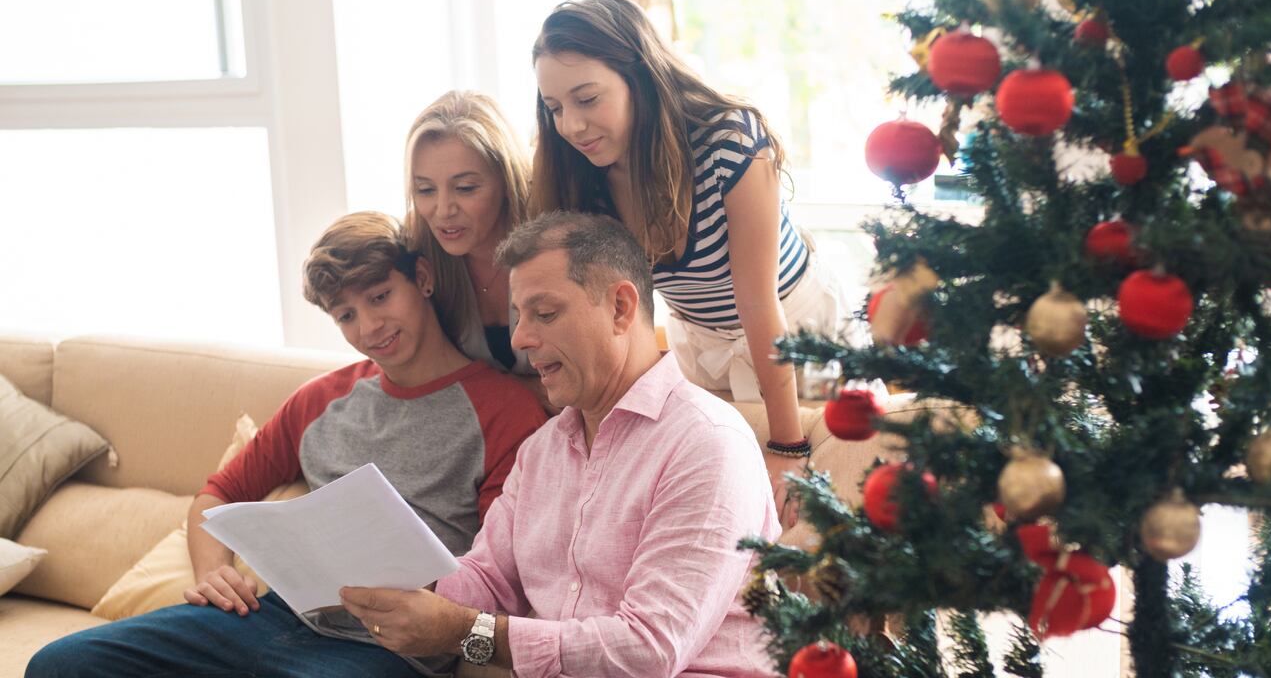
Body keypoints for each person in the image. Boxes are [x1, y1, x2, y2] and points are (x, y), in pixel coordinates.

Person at [26, 212, 547, 678]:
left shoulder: (504, 411)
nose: (369, 327)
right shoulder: (320, 400)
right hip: (269, 617)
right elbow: (216, 496)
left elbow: (500, 570)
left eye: (380, 296)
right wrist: (215, 573)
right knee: (58, 664)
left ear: (423, 279)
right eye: (345, 315)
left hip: (391, 648)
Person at [339, 211, 780, 677]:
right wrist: (401, 586)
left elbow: (647, 650)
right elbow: (488, 576)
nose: (521, 338)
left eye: (545, 314)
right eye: (520, 316)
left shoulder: (708, 445)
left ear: (620, 309)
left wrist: (462, 631)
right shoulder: (542, 451)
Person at [527, 0, 850, 526]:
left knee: (812, 497)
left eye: (587, 99)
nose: (572, 126)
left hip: (796, 330)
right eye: (555, 107)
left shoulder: (730, 140)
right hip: (699, 342)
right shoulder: (582, 174)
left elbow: (757, 300)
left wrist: (789, 446)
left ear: (639, 76)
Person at [404, 90, 535, 376]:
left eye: (465, 188)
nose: (443, 210)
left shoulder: (554, 247)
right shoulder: (416, 256)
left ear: (506, 179)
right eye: (425, 190)